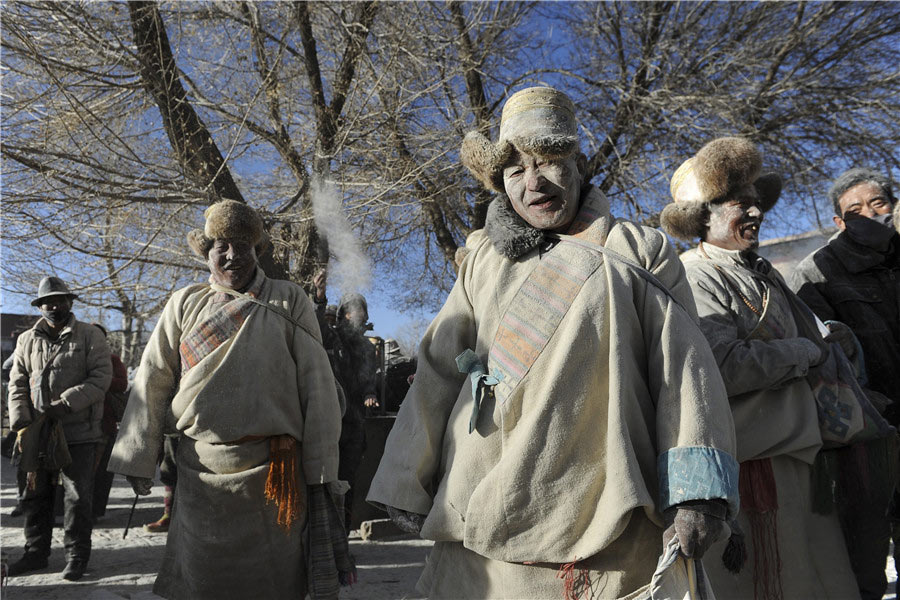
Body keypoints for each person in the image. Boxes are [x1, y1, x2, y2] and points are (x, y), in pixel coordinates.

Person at [367, 87, 739, 599]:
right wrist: (406, 479)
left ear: (578, 163)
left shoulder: (638, 250)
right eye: (516, 170)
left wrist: (697, 493)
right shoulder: (481, 259)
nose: (533, 182)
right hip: (485, 515)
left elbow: (684, 374)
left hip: (611, 515)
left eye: (548, 162)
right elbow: (437, 371)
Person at [108, 200, 346, 599]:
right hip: (200, 474)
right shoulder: (185, 303)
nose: (232, 255)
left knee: (273, 583)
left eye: (242, 245)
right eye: (222, 246)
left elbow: (317, 386)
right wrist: (137, 457)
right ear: (207, 252)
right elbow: (152, 378)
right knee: (203, 583)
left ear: (258, 251)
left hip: (273, 476)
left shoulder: (289, 300)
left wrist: (322, 470)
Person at [660, 136, 861, 599]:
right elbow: (723, 366)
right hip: (753, 464)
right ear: (702, 216)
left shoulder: (759, 270)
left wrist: (828, 339)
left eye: (756, 202)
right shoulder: (696, 274)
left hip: (794, 454)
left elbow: (796, 338)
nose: (754, 212)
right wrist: (806, 354)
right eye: (739, 203)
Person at [790, 168, 900, 600]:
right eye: (854, 210)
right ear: (838, 222)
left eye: (878, 205)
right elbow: (818, 358)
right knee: (865, 557)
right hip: (866, 434)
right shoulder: (816, 272)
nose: (870, 215)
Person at [6, 276, 112, 581]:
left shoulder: (90, 336)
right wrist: (22, 421)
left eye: (60, 300)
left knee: (78, 497)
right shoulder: (26, 340)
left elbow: (100, 379)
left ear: (70, 302)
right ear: (40, 306)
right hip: (37, 431)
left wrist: (65, 404)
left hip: (80, 431)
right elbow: (18, 382)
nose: (54, 306)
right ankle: (35, 554)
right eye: (47, 302)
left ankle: (77, 557)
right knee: (34, 495)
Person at [333, 292, 378, 532]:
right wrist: (319, 299)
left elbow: (368, 378)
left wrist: (370, 393)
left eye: (360, 310)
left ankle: (343, 531)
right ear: (344, 314)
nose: (357, 315)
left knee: (348, 480)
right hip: (330, 419)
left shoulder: (367, 348)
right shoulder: (332, 339)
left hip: (354, 422)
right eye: (352, 310)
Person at [90, 324, 129, 521]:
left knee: (101, 473)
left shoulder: (112, 360)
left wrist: (100, 380)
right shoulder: (78, 358)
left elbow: (122, 384)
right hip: (79, 423)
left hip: (105, 424)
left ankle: (96, 511)